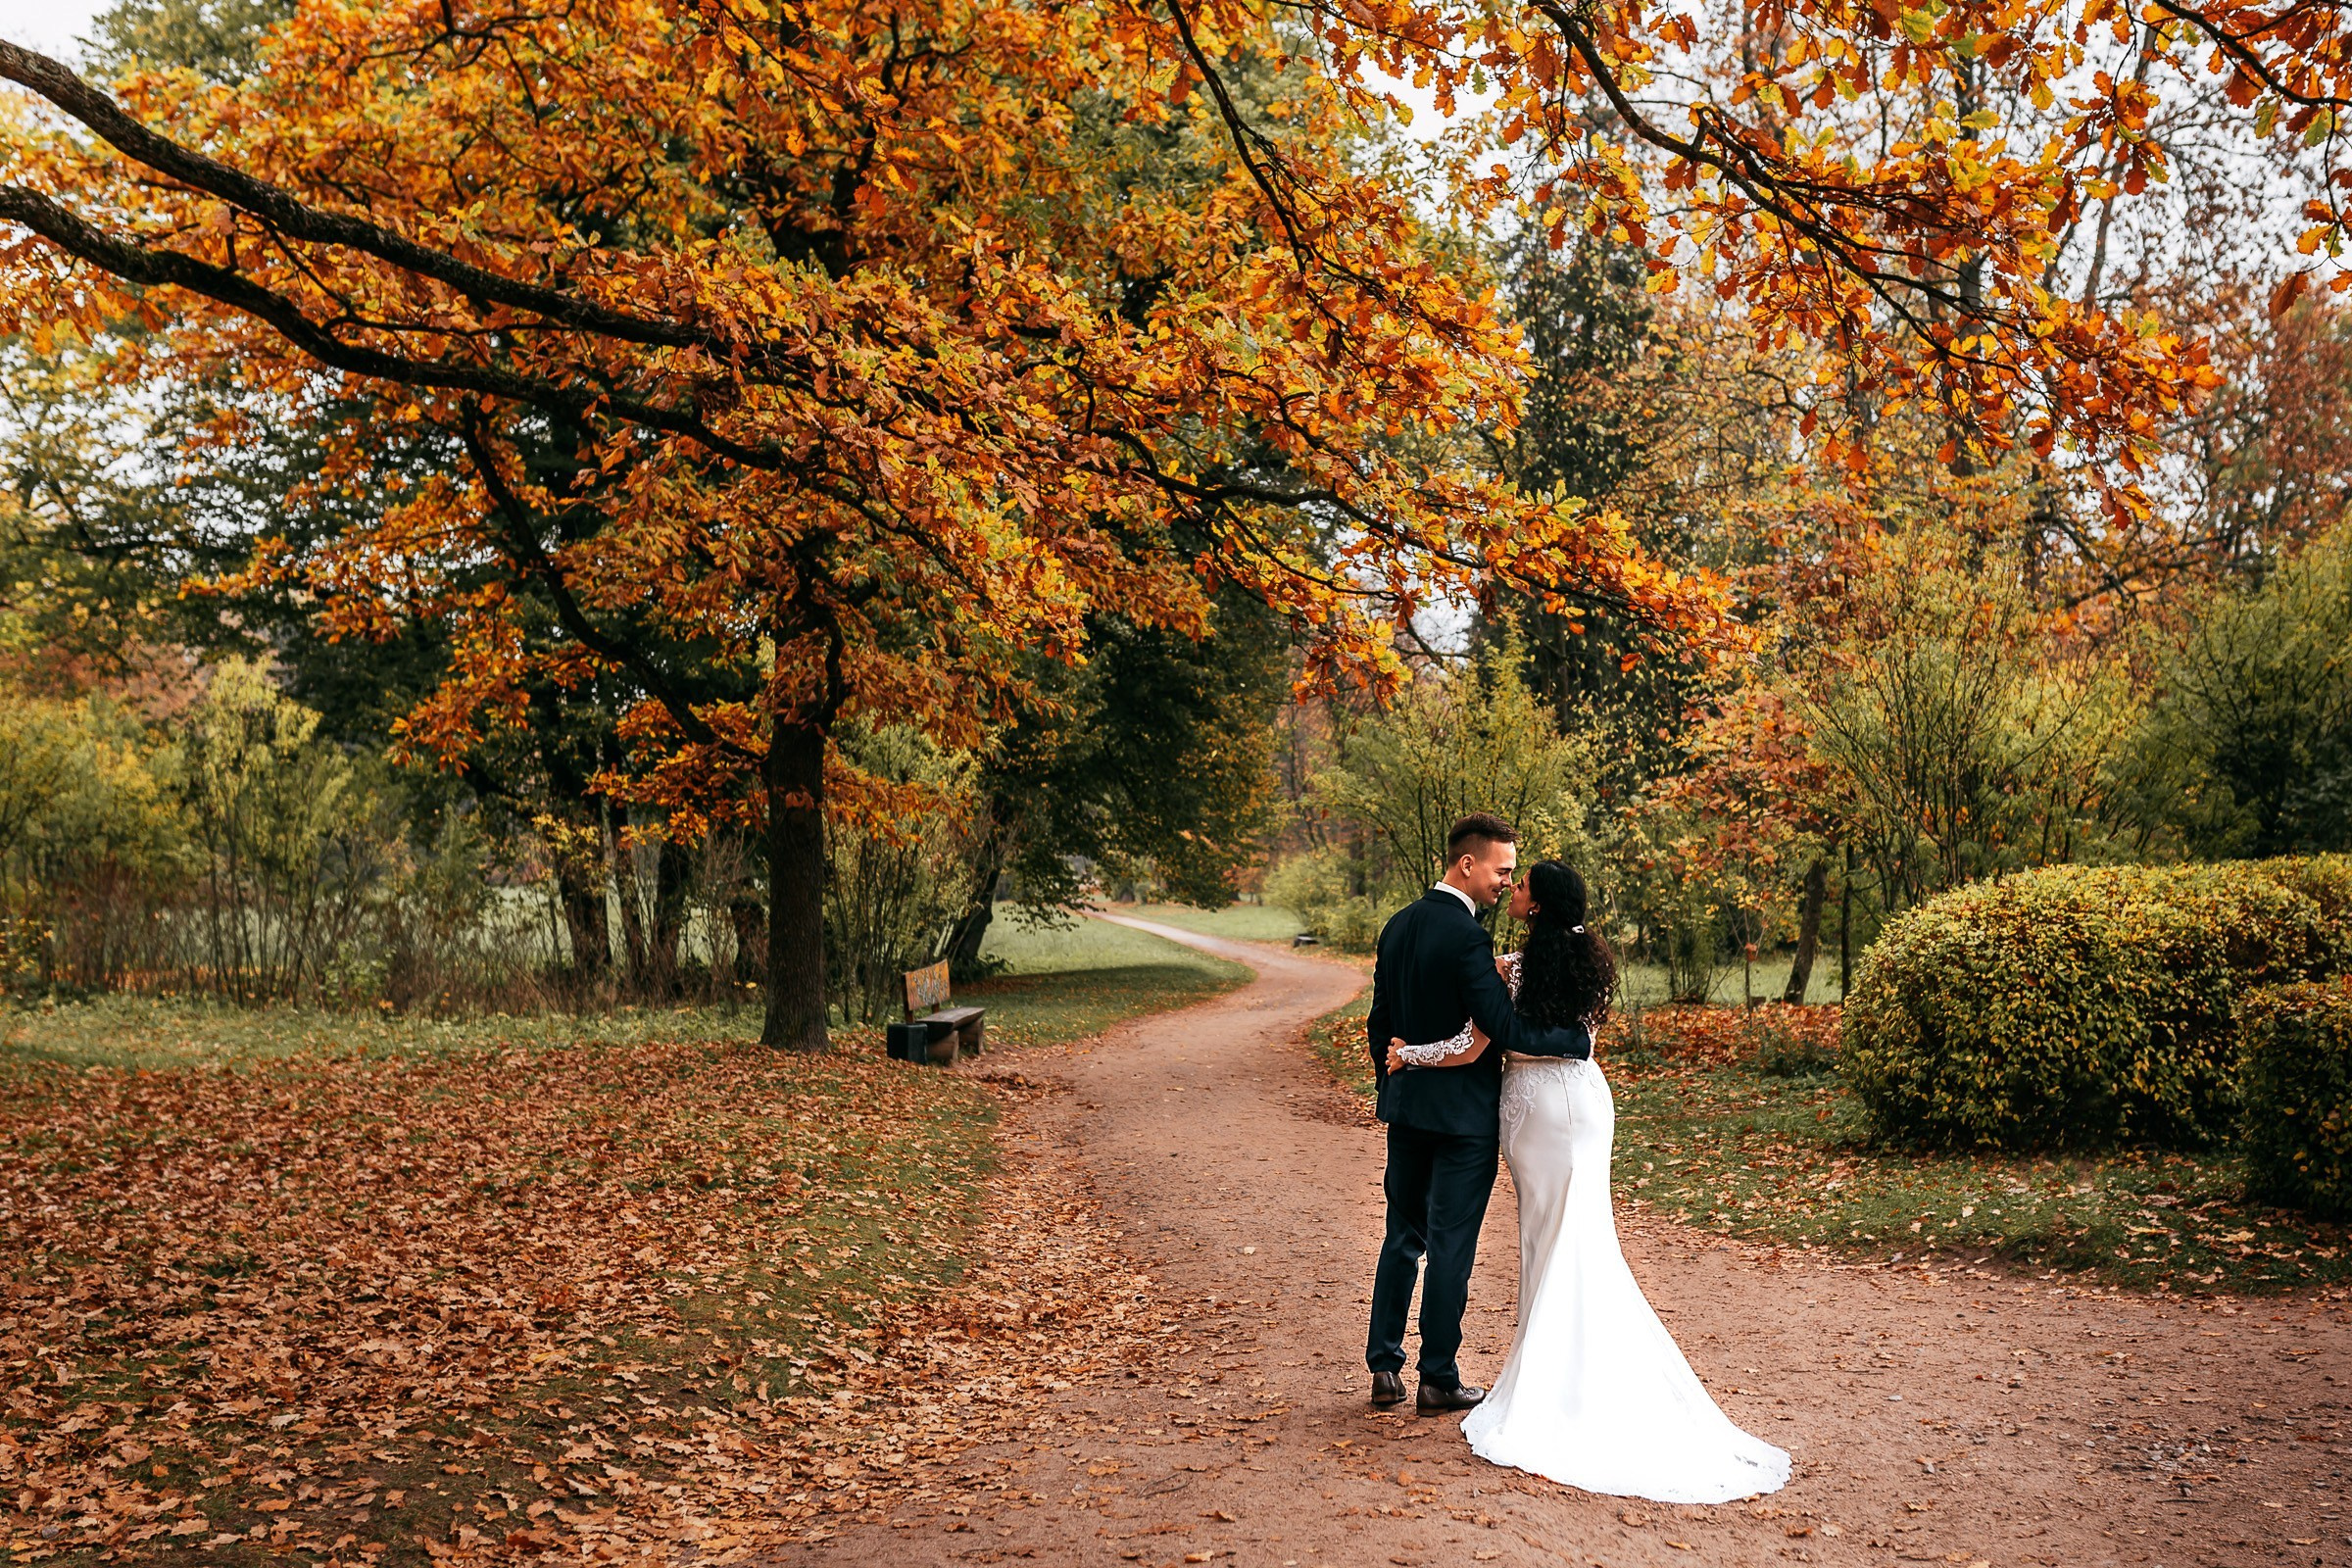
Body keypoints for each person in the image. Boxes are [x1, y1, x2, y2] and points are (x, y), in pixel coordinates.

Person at [1388, 858, 1790, 1503]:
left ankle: (1555, 1385)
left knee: (1551, 1240)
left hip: (1536, 1112)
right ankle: (1572, 1372)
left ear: (1539, 905)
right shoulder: (1592, 963)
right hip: (1582, 1103)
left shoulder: (1512, 970)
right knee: (1579, 1238)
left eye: (1521, 886)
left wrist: (1408, 1052)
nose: (1513, 891)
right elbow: (1577, 1041)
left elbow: (1469, 1046)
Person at [1363, 812, 1593, 1416]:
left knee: (1400, 1238)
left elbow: (1379, 1020)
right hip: (1463, 1120)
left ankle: (1384, 1368)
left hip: (1407, 1110)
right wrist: (1576, 1043)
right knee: (1451, 1245)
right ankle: (1438, 1376)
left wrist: (1395, 1076)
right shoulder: (1469, 939)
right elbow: (1500, 1026)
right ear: (1468, 864)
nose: (1505, 882)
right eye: (1502, 870)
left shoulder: (1397, 926)